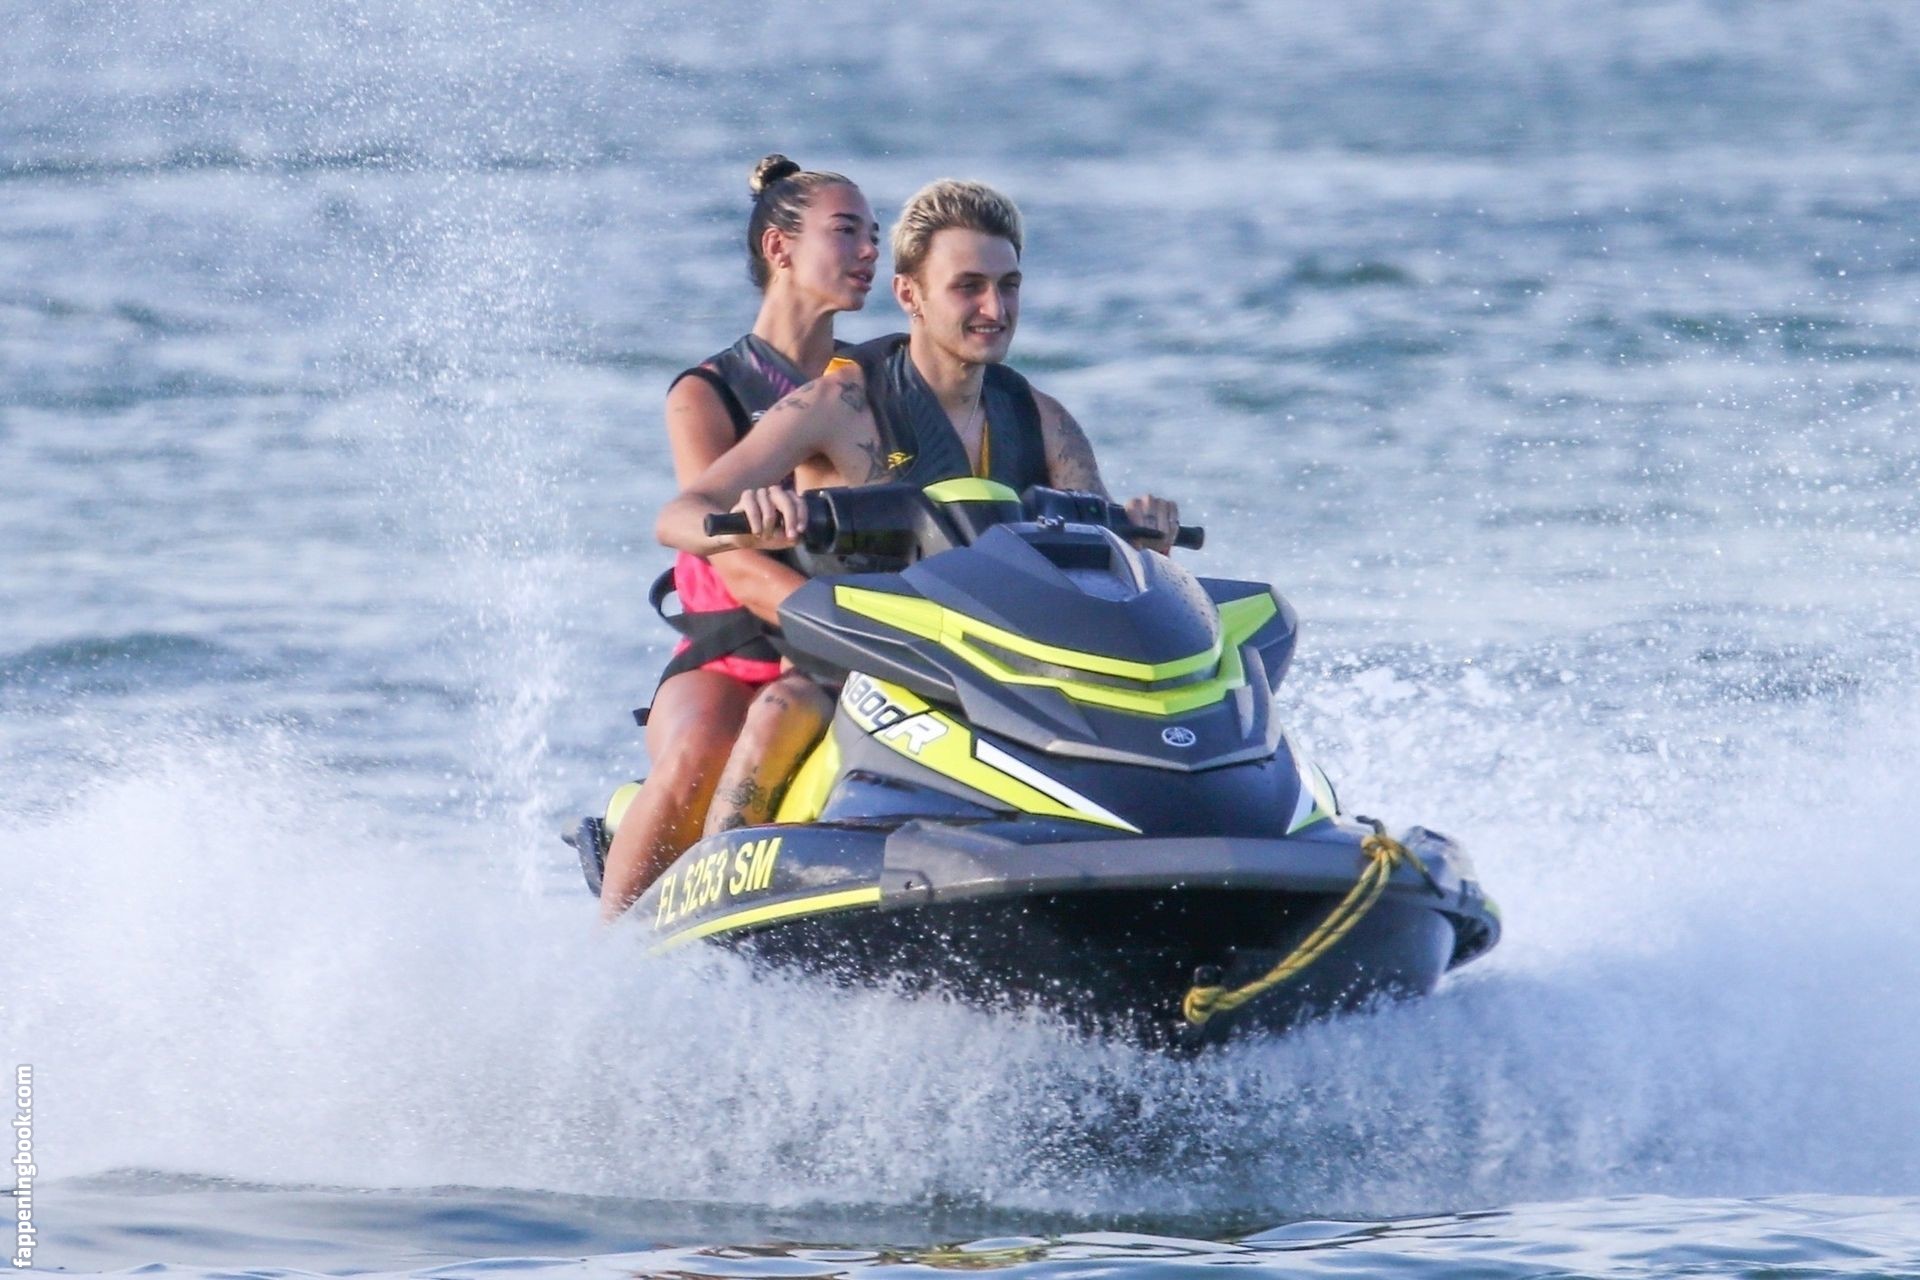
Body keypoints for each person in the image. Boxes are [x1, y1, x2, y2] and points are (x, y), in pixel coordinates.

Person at [598, 154, 879, 923]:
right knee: (701, 753)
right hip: (734, 655)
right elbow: (726, 551)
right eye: (846, 232)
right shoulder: (707, 392)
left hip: (848, 646)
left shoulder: (868, 389)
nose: (870, 251)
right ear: (779, 247)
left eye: (875, 235)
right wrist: (838, 631)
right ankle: (606, 957)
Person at [657, 176, 1179, 572]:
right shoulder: (838, 404)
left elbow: (1105, 560)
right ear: (909, 294)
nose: (995, 309)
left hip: (1007, 661)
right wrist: (747, 526)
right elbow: (679, 516)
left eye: (1009, 285)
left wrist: (1144, 537)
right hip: (862, 662)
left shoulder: (1043, 417)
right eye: (968, 286)